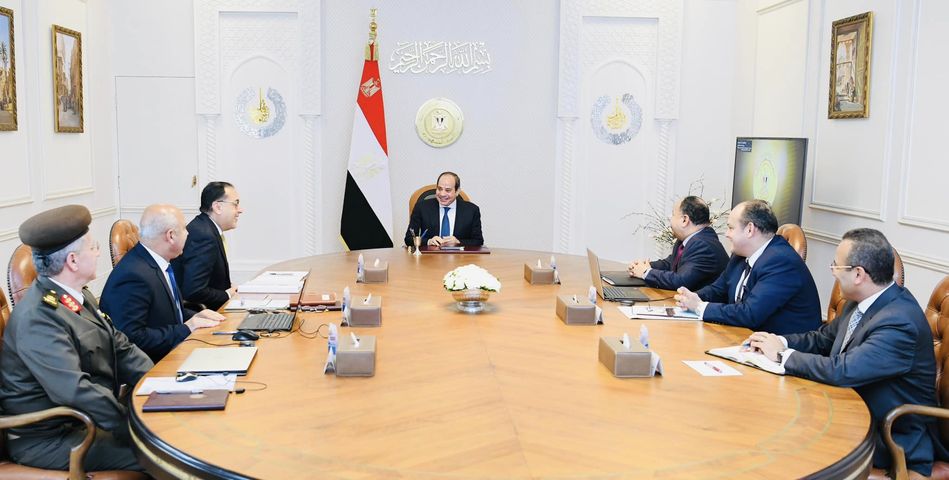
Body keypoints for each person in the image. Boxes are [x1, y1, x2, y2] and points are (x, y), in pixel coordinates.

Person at [746, 228, 942, 478]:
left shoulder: (899, 322)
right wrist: (777, 341)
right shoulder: (862, 302)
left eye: (836, 266)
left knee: (781, 446)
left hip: (888, 436)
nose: (833, 272)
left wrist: (782, 356)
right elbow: (822, 339)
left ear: (858, 274)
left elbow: (844, 370)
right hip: (848, 410)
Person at [0, 205, 153, 472]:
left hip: (87, 419)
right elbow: (75, 390)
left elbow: (121, 346)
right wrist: (131, 425)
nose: (98, 253)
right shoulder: (38, 317)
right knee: (164, 455)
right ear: (72, 261)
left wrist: (159, 387)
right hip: (52, 438)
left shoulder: (75, 295)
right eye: (93, 248)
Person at [675, 199, 820, 335]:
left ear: (750, 229)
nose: (727, 234)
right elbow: (718, 290)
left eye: (731, 228)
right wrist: (692, 298)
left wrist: (700, 307)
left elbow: (750, 314)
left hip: (779, 346)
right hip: (743, 337)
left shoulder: (781, 261)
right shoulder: (740, 255)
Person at [100, 204, 225, 362]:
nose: (188, 233)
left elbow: (166, 314)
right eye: (184, 229)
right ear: (170, 236)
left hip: (174, 352)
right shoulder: (133, 275)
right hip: (156, 364)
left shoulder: (158, 262)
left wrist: (196, 316)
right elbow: (132, 338)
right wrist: (187, 328)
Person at [627, 196, 728, 291]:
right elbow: (670, 263)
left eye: (673, 215)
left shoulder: (703, 245)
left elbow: (681, 281)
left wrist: (646, 272)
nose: (670, 220)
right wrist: (643, 266)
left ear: (684, 220)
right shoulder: (689, 239)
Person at [172, 181, 243, 310]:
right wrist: (227, 294)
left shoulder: (206, 227)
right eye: (235, 204)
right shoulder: (203, 235)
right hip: (203, 313)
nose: (240, 210)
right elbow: (194, 290)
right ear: (217, 207)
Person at [403, 171, 483, 247]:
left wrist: (458, 242)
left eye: (448, 190)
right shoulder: (422, 207)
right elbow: (409, 239)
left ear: (457, 191)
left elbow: (478, 241)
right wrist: (428, 241)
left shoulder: (472, 210)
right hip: (430, 255)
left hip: (459, 255)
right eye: (439, 189)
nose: (442, 194)